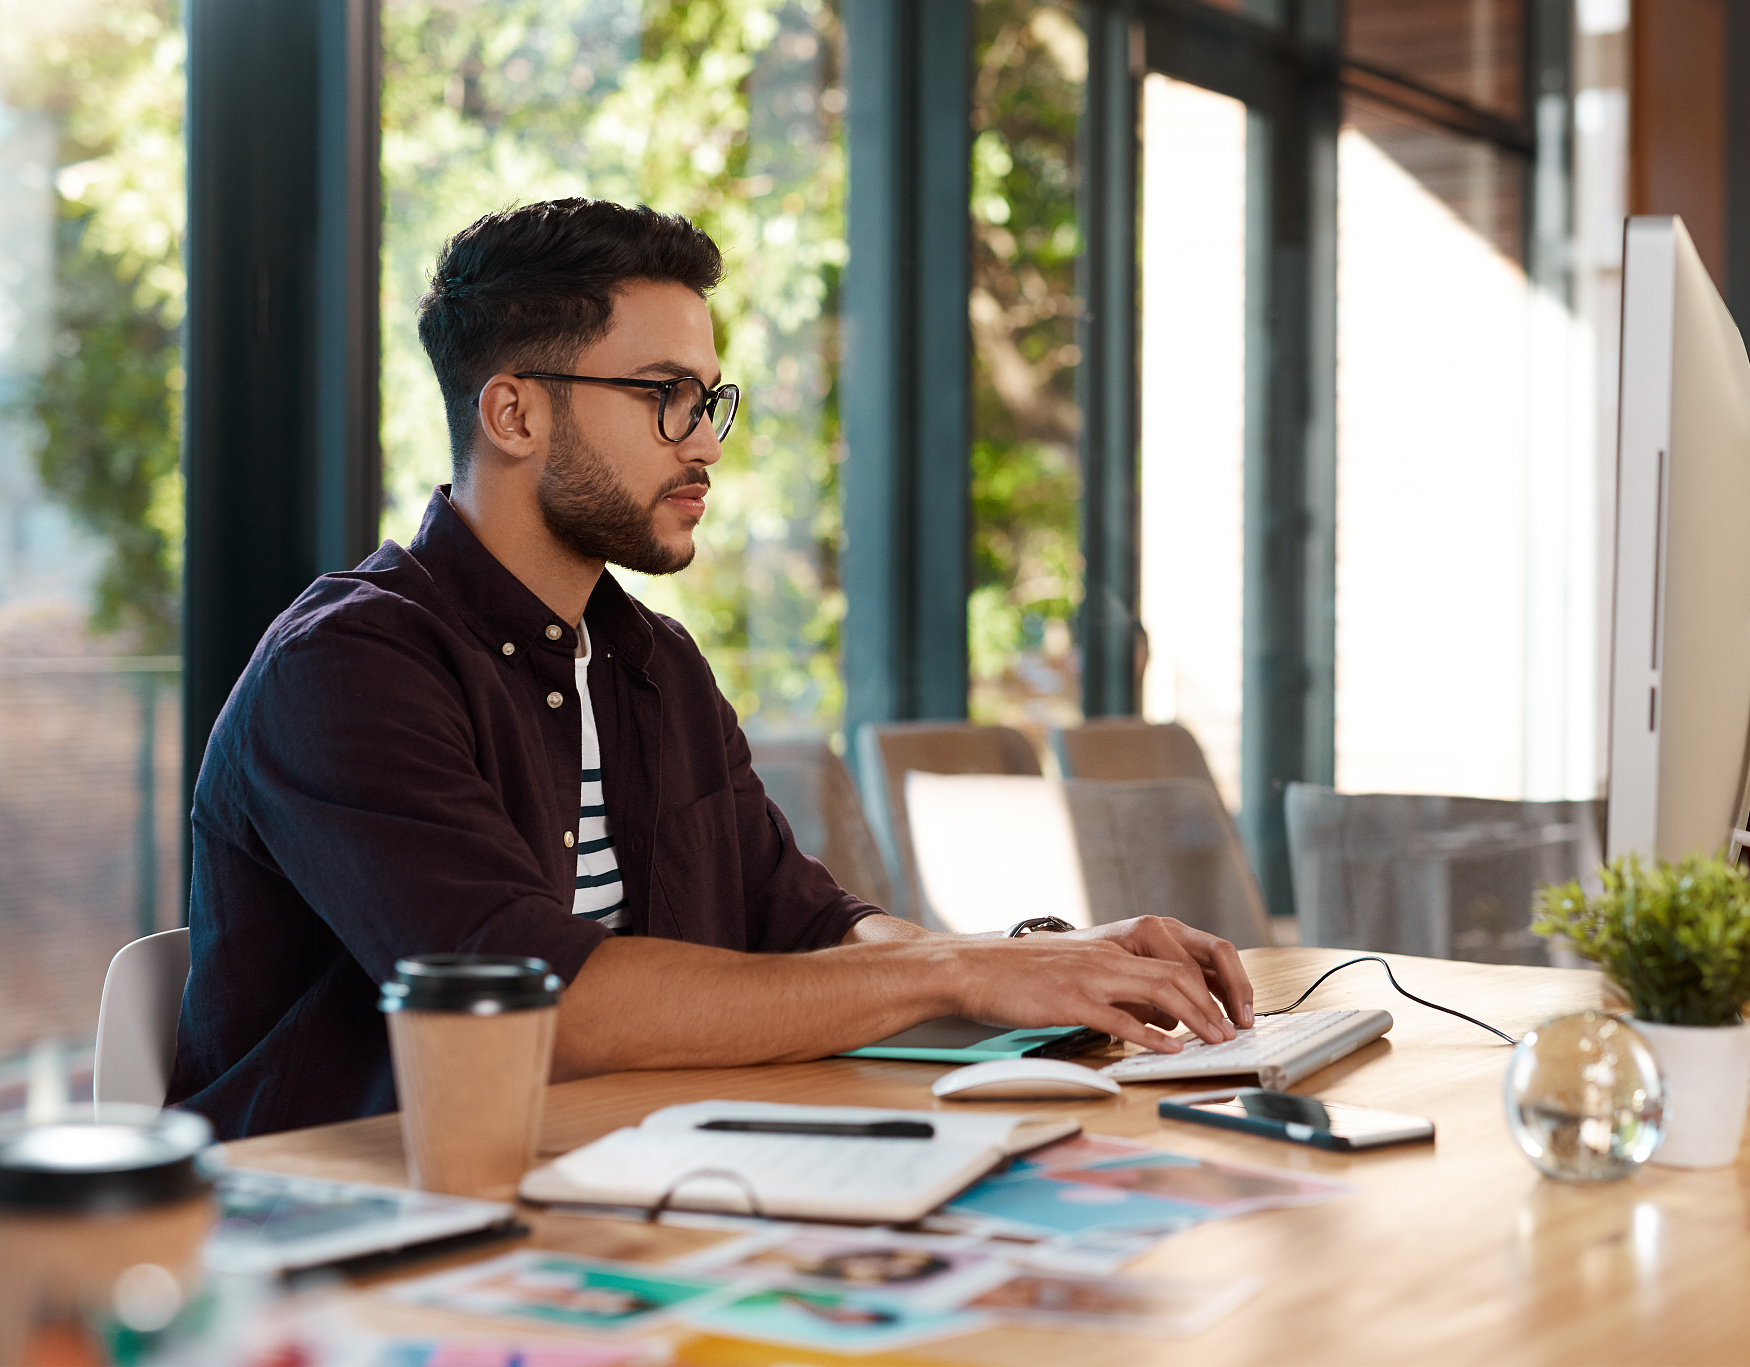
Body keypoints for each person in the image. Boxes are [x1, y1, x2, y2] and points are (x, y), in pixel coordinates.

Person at [167, 199, 1252, 1139]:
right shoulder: (347, 669)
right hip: (350, 1222)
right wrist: (953, 971)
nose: (706, 444)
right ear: (514, 411)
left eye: (709, 400)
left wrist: (1049, 967)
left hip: (617, 1182)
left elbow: (806, 922)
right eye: (665, 395)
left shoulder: (656, 663)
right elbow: (544, 1002)